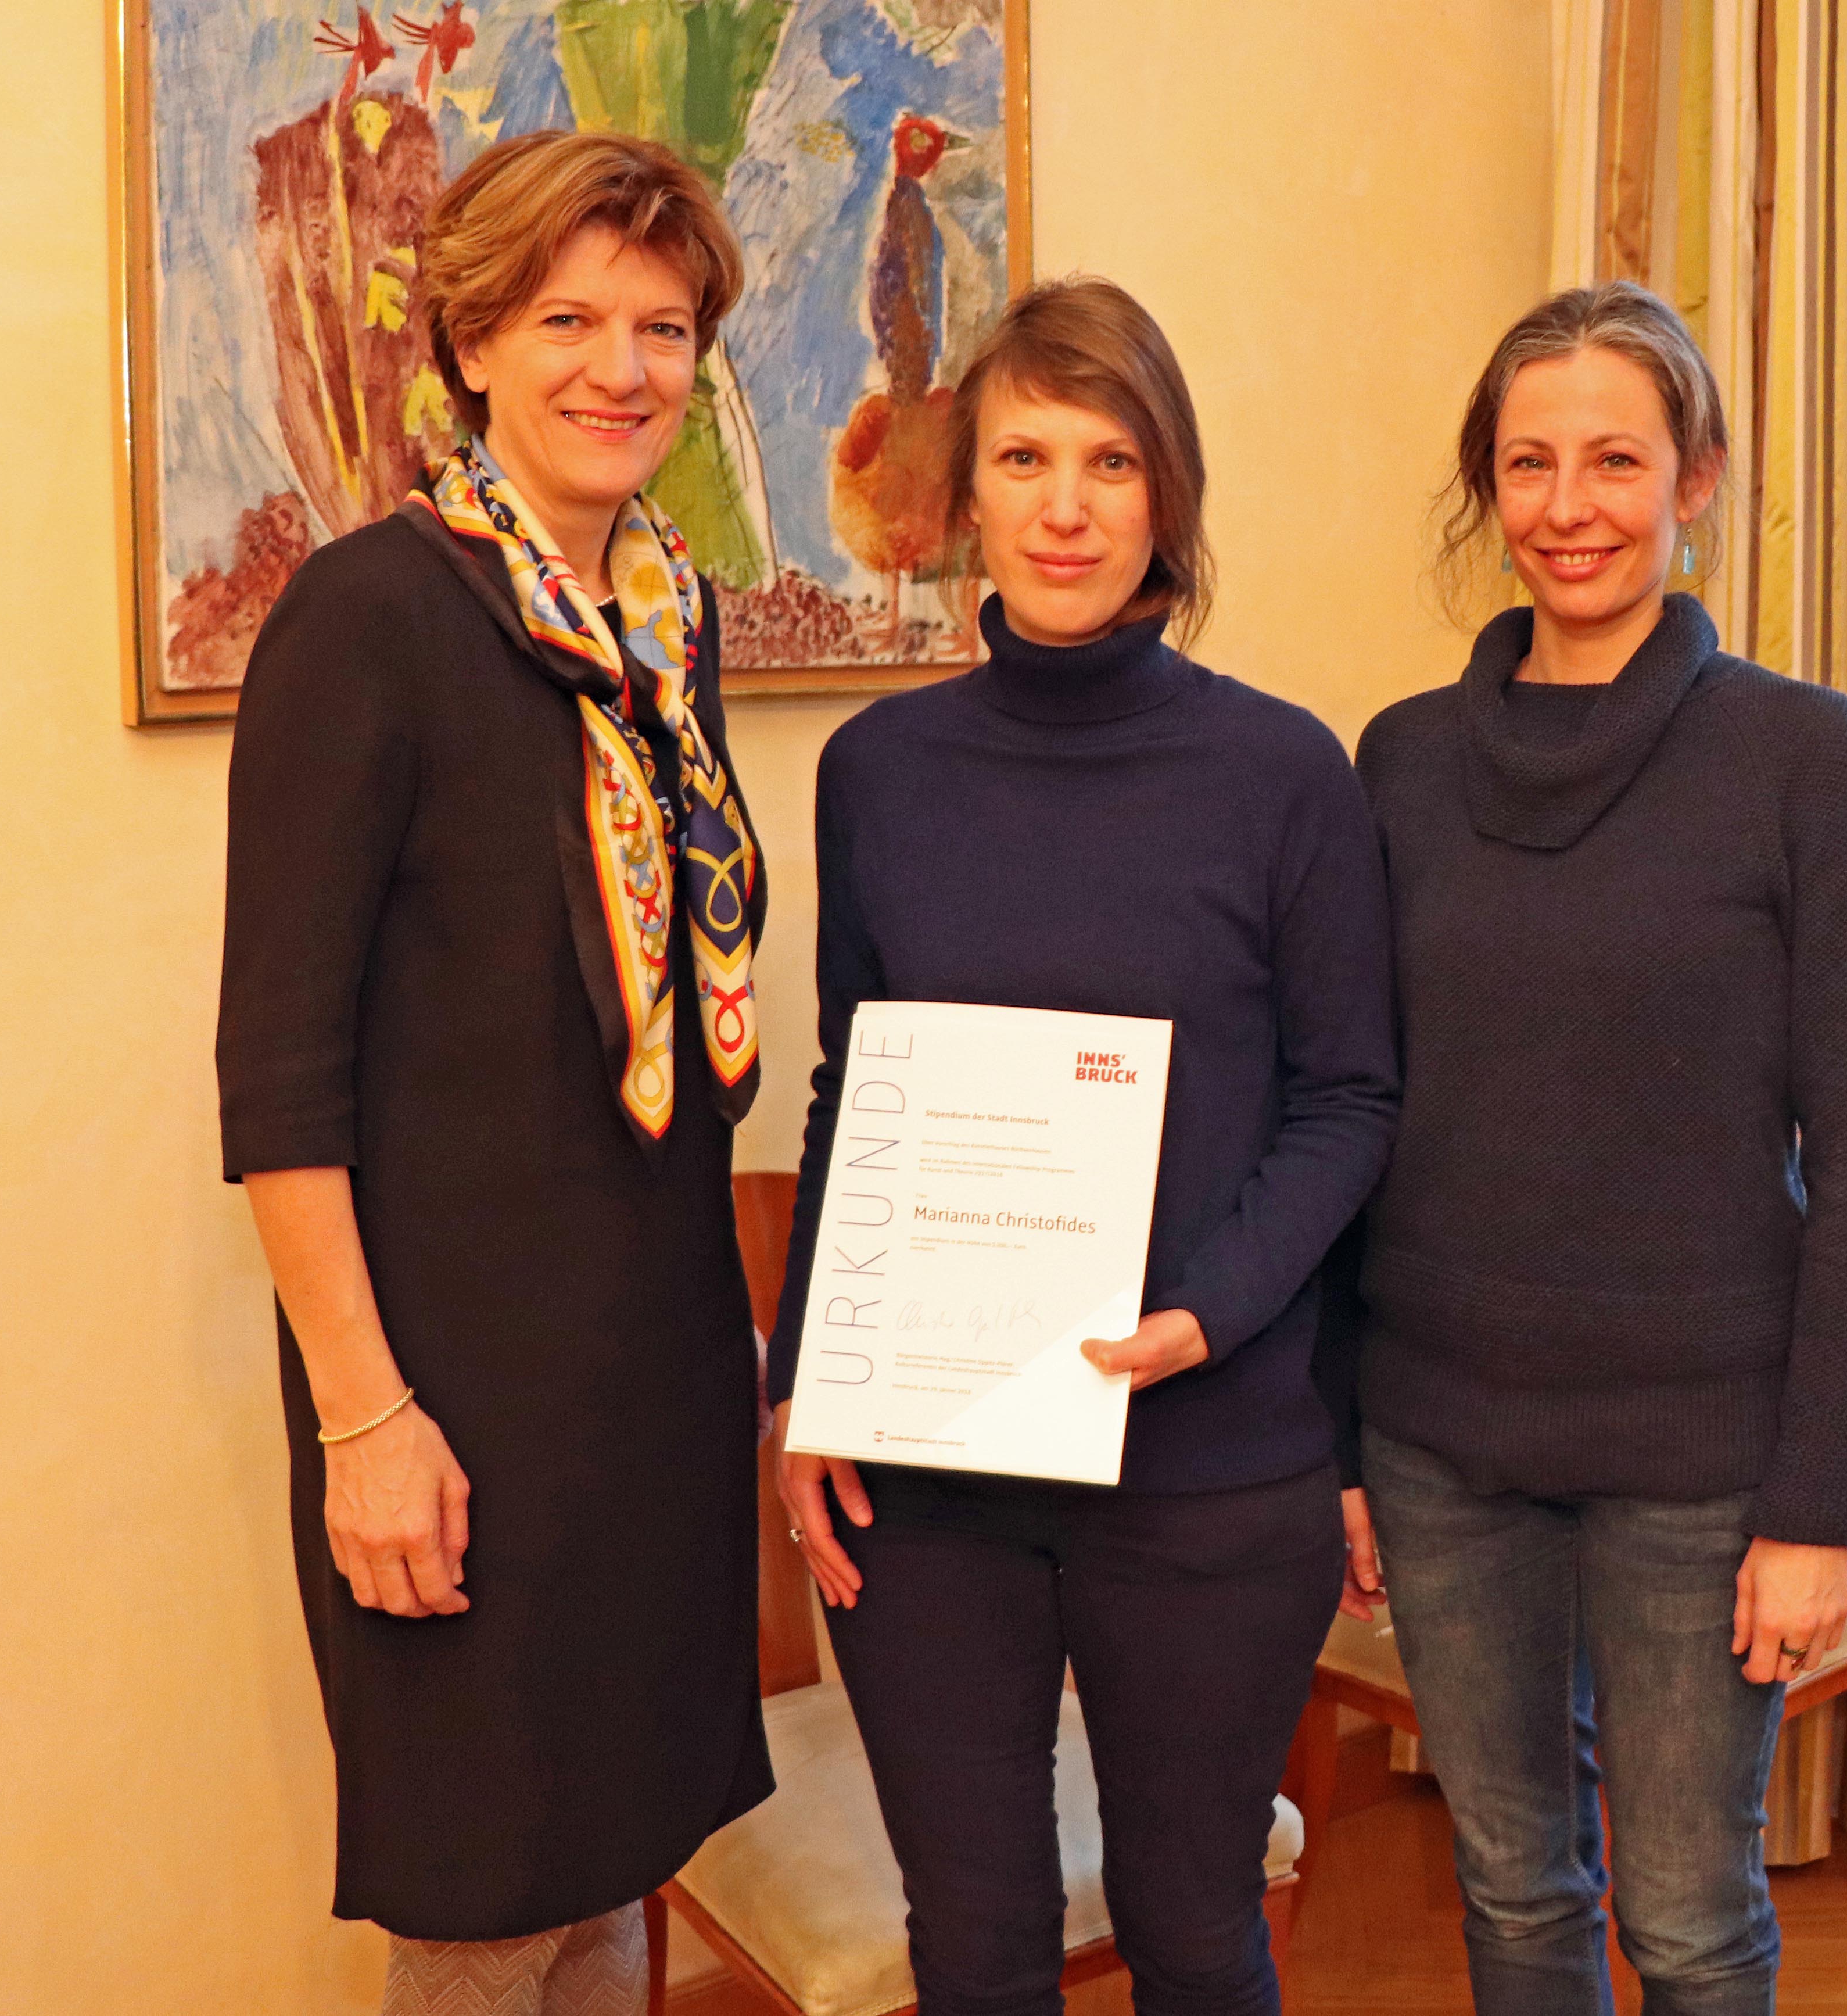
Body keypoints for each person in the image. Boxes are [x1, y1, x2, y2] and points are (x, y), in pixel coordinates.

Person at [766, 276, 1400, 2016]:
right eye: (1024, 456)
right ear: (961, 491)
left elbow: (1354, 1099)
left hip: (1208, 1465)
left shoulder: (1286, 775)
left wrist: (1203, 1312)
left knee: (1194, 1930)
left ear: (1167, 497)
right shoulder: (880, 770)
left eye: (1110, 461)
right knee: (975, 1944)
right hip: (933, 1483)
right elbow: (855, 1095)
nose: (1064, 505)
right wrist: (806, 1383)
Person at [216, 130, 773, 2016]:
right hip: (453, 1410)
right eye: (568, 320)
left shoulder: (666, 631)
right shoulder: (370, 617)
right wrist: (366, 1423)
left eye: (665, 326)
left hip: (651, 1392)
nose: (624, 369)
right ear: (468, 342)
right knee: (486, 1913)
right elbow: (278, 1075)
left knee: (615, 1877)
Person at [1328, 281, 1847, 2016]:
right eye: (1528, 463)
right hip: (1441, 1445)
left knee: (1687, 1916)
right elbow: (1362, 1109)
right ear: (1485, 488)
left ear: (1698, 478)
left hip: (1699, 1458)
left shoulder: (1805, 760)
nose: (1568, 506)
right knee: (1513, 1889)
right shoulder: (1402, 762)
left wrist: (1816, 1499)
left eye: (1613, 460)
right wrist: (1346, 1431)